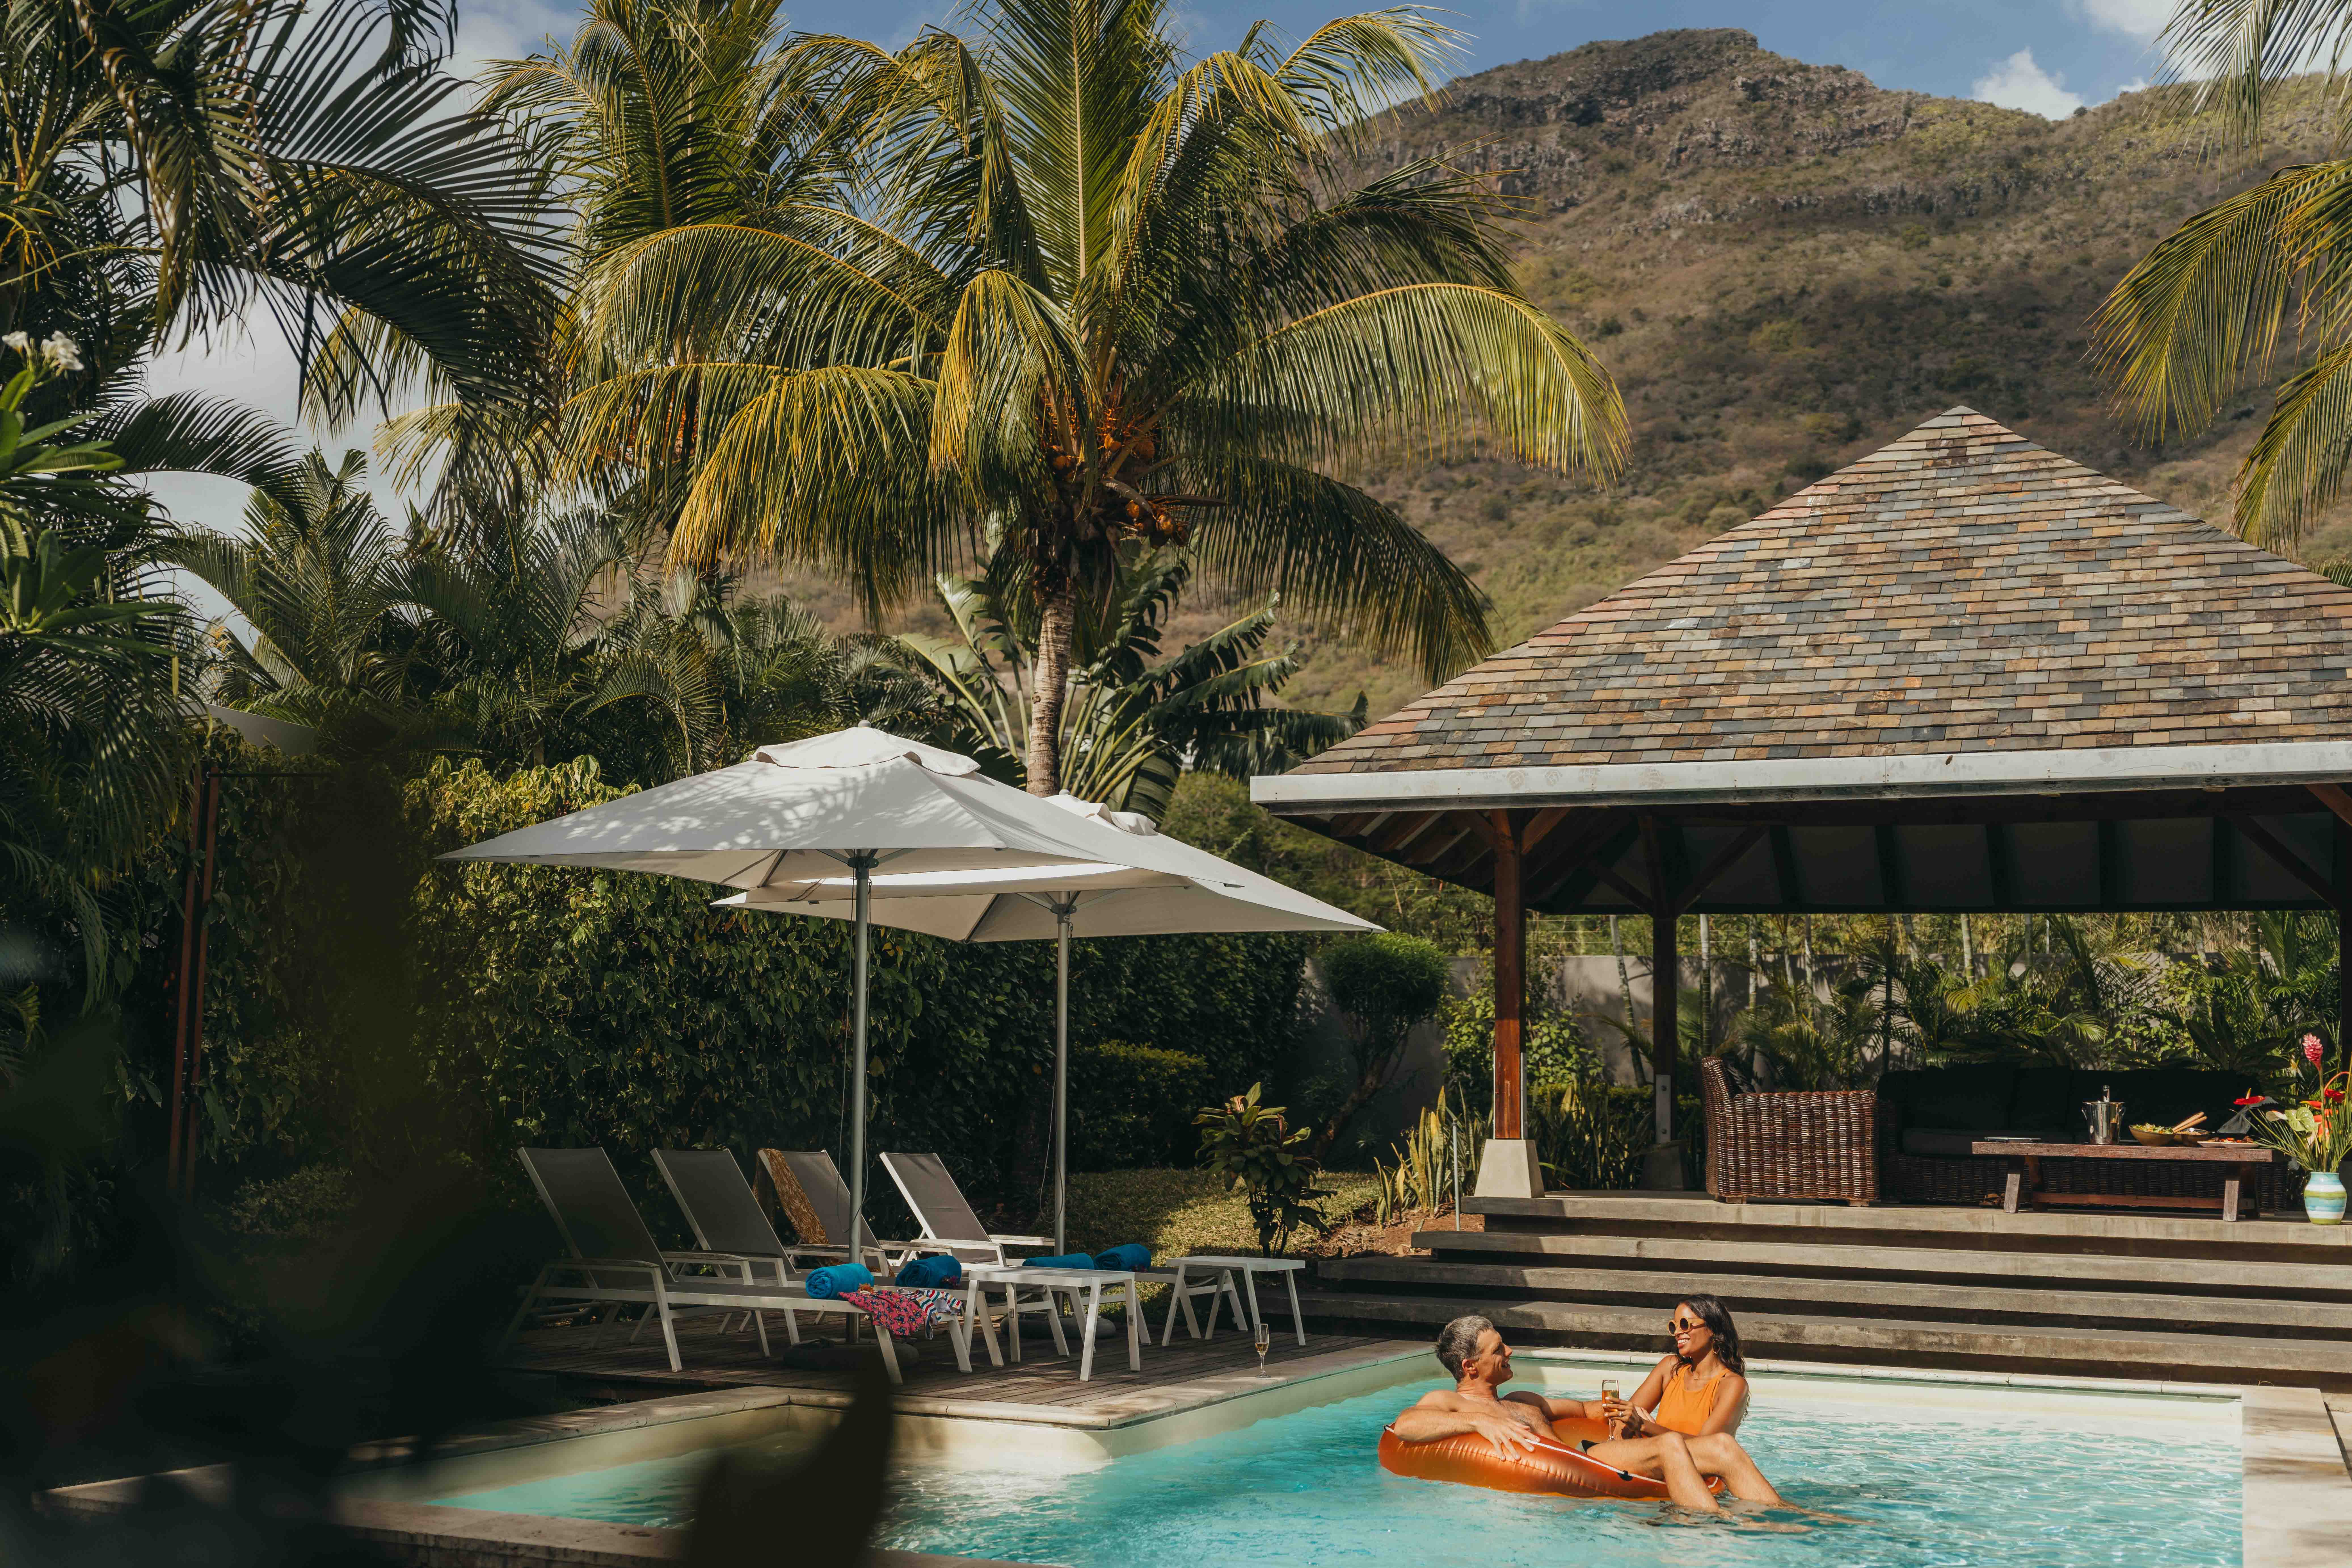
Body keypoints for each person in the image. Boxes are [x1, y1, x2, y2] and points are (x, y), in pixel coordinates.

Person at [1389, 1303, 1785, 1514]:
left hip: (1587, 1463)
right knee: (1670, 1448)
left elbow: (1586, 1409)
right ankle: (1715, 1529)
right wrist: (1476, 1419)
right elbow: (1404, 1426)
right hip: (1580, 1474)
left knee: (1724, 1448)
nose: (1510, 1352)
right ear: (1470, 1368)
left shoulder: (1523, 1401)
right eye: (1499, 1350)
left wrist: (1623, 1414)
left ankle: (1786, 1519)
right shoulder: (1451, 1402)